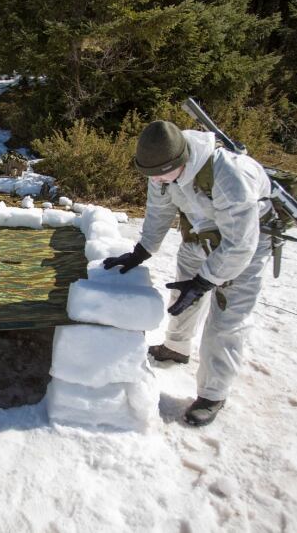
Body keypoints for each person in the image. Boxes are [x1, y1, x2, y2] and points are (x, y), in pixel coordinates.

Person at [104, 121, 273, 427]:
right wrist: (143, 250)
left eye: (160, 174)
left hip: (246, 248)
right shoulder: (160, 171)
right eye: (149, 174)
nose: (155, 180)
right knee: (183, 297)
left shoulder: (231, 175)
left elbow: (240, 244)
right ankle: (176, 348)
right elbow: (159, 210)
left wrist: (206, 280)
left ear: (180, 162)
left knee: (226, 320)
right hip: (199, 237)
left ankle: (213, 394)